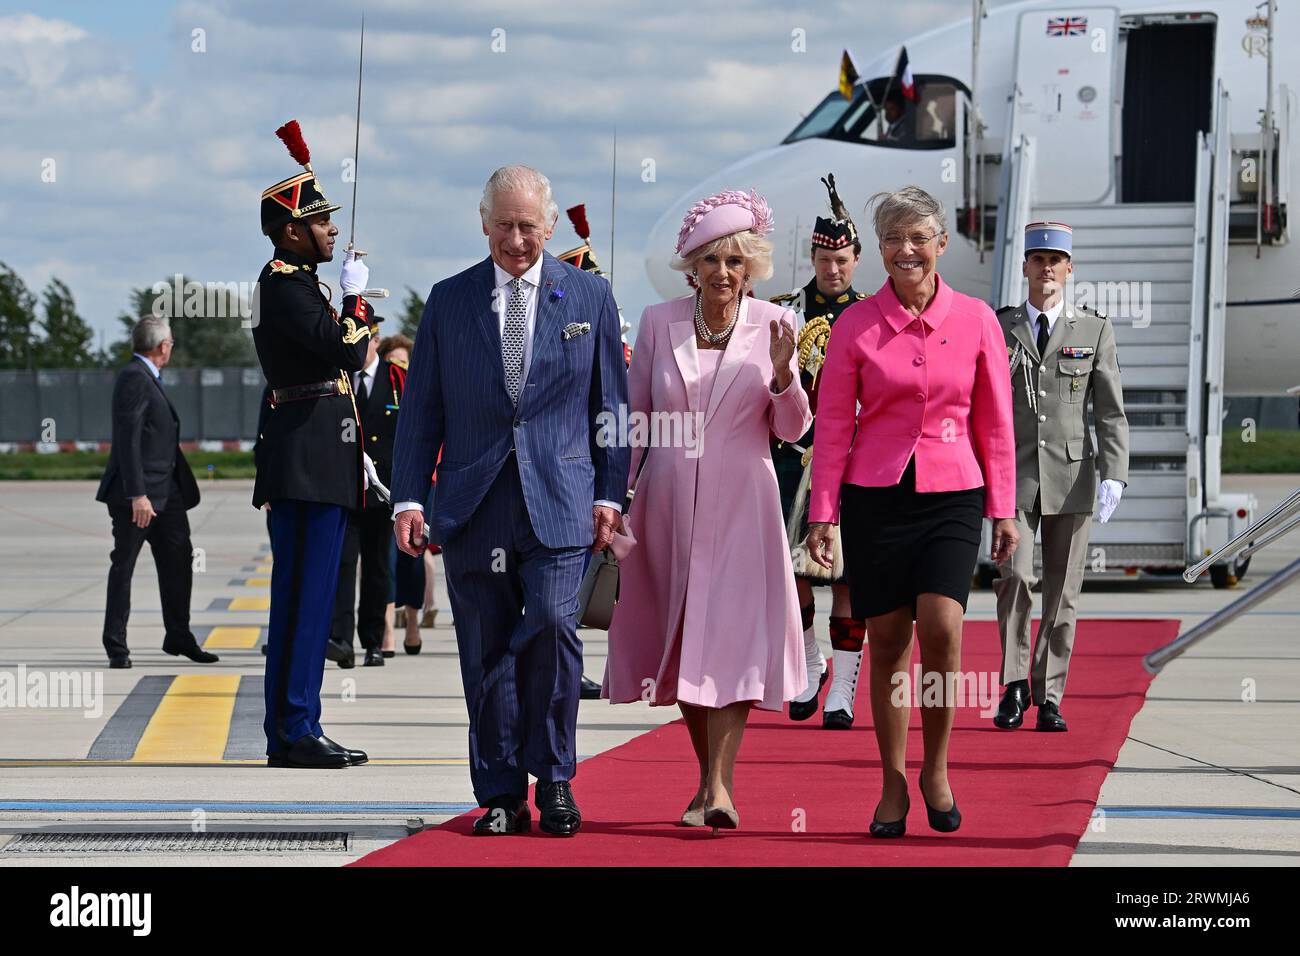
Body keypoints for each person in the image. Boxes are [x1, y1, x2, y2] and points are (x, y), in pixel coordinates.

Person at [391, 165, 630, 837]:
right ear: (484, 222)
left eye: (529, 226)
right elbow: (421, 413)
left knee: (555, 627)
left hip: (560, 501)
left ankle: (553, 777)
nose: (517, 239)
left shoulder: (589, 296)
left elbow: (611, 407)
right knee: (486, 648)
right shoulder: (448, 301)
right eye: (504, 225)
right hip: (475, 502)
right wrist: (408, 498)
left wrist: (612, 493)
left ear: (549, 227)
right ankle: (499, 791)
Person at [806, 186, 1018, 837]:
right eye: (893, 238)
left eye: (918, 237)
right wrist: (823, 514)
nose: (906, 250)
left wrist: (1004, 510)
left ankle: (939, 768)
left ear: (941, 243)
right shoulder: (855, 326)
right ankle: (894, 779)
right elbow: (835, 423)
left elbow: (996, 420)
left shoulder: (979, 319)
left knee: (943, 627)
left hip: (955, 492)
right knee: (890, 641)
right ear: (881, 249)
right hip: (876, 496)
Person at [604, 189, 811, 832]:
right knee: (682, 641)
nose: (723, 272)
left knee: (734, 641)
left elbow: (794, 429)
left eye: (735, 261)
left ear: (752, 266)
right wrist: (615, 499)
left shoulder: (777, 324)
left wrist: (784, 376)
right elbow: (632, 419)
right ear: (691, 265)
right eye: (710, 260)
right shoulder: (657, 320)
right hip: (667, 504)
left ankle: (719, 787)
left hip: (746, 503)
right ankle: (708, 780)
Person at [253, 120, 376, 769]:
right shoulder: (284, 283)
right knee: (306, 598)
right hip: (307, 457)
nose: (332, 231)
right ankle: (297, 727)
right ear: (291, 229)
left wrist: (347, 303)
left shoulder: (297, 284)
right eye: (322, 222)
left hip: (314, 456)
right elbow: (345, 352)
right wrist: (356, 300)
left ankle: (292, 727)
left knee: (306, 597)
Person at [992, 222, 1130, 732]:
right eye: (1037, 259)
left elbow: (1110, 412)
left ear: (1069, 271)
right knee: (1013, 581)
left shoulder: (1093, 330)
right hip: (1015, 477)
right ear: (1025, 267)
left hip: (1072, 477)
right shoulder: (998, 327)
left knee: (1063, 591)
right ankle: (1012, 686)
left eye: (1055, 260)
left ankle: (1049, 694)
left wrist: (1115, 472)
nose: (1046, 268)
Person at [770, 173, 870, 728]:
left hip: (853, 465)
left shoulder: (871, 317)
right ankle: (809, 668)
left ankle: (845, 688)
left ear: (855, 260)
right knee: (797, 577)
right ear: (812, 255)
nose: (832, 270)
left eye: (842, 260)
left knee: (847, 580)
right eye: (824, 259)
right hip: (792, 462)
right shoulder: (784, 312)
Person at [97, 316, 215, 669]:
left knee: (180, 561)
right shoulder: (134, 377)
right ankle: (116, 644)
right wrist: (137, 494)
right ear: (163, 346)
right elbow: (127, 440)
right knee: (124, 566)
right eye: (171, 343)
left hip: (169, 493)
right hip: (141, 496)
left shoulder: (148, 376)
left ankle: (178, 635)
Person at [329, 307, 405, 668]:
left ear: (375, 340)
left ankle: (373, 640)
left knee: (377, 568)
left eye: (364, 341)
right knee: (343, 565)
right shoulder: (336, 376)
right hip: (343, 489)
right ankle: (341, 639)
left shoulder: (399, 379)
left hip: (383, 493)